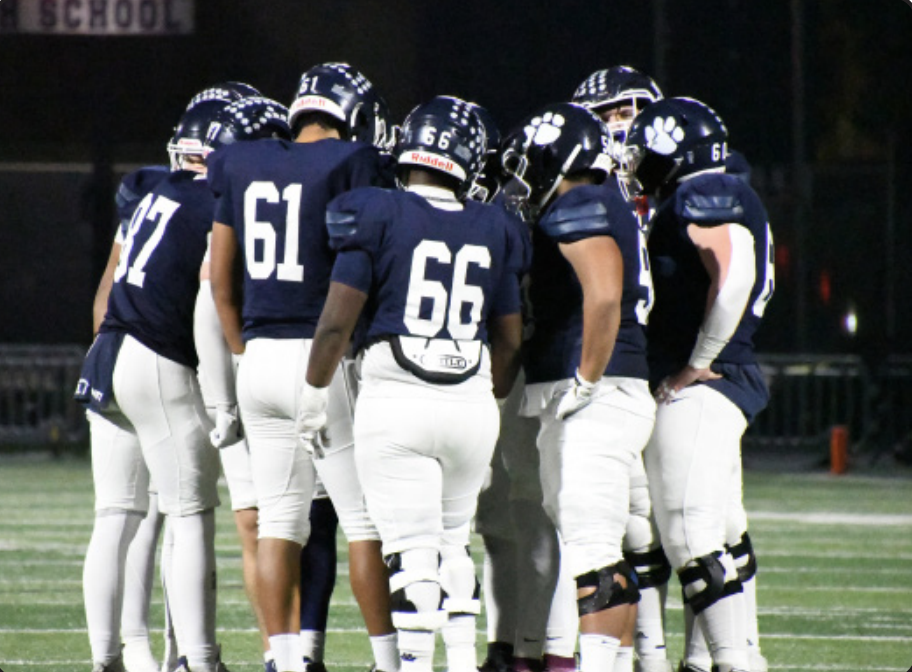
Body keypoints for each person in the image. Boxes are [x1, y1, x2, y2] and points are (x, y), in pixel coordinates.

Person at [295, 94, 528, 672]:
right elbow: (510, 337)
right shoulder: (496, 224)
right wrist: (484, 394)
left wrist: (311, 396)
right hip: (470, 399)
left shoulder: (375, 211)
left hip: (397, 396)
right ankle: (464, 660)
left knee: (411, 552)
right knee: (454, 541)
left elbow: (334, 325)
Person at [207, 62, 396, 672]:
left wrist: (241, 351)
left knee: (278, 524)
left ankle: (284, 661)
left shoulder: (240, 161)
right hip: (321, 354)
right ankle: (389, 661)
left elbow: (219, 278)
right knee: (364, 521)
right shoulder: (355, 160)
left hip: (257, 357)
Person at [76, 97, 235, 672]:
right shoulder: (215, 205)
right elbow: (212, 302)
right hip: (159, 356)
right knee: (189, 513)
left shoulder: (147, 192)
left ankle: (108, 658)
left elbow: (109, 283)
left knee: (115, 516)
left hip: (108, 350)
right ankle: (198, 658)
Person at [618, 97, 775, 672]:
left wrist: (694, 361)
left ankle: (734, 662)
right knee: (721, 529)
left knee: (690, 532)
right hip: (723, 379)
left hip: (704, 384)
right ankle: (736, 656)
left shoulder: (700, 192)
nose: (638, 162)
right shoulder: (717, 188)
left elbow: (734, 278)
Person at [500, 101, 657, 672]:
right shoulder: (605, 200)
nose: (527, 178)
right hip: (606, 387)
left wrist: (587, 378)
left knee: (591, 553)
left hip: (598, 389)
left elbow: (606, 294)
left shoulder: (581, 201)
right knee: (600, 553)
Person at [572, 65, 674, 672]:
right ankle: (651, 657)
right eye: (608, 113)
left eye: (630, 110)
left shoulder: (672, 193)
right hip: (624, 369)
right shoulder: (590, 189)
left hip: (643, 369)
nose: (621, 123)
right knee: (630, 525)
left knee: (675, 529)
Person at [195, 95, 293, 672]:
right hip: (243, 376)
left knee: (282, 523)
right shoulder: (225, 203)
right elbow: (212, 303)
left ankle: (296, 650)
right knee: (259, 521)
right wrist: (221, 397)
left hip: (265, 370)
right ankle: (276, 651)